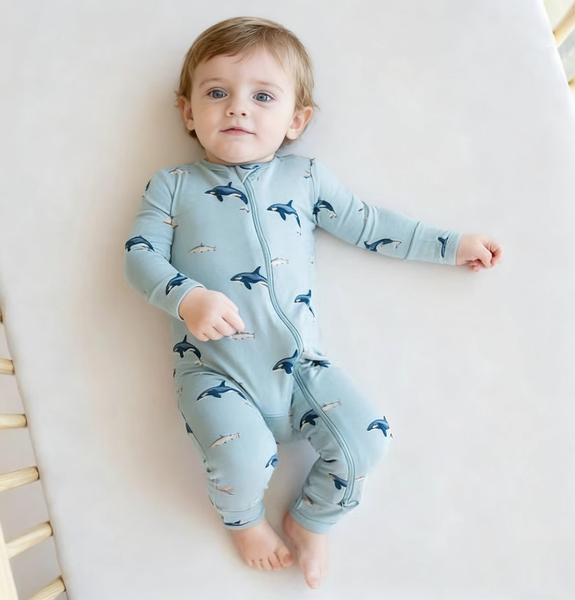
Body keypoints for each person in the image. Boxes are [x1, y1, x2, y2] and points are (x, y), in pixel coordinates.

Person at [123, 16, 503, 589]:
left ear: (296, 121)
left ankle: (311, 518)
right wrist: (187, 297)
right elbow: (139, 256)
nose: (237, 107)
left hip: (303, 367)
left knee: (367, 441)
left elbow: (371, 225)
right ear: (187, 112)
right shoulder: (172, 185)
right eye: (217, 93)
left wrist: (451, 246)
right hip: (215, 371)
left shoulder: (303, 179)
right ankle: (243, 520)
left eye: (263, 96)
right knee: (241, 460)